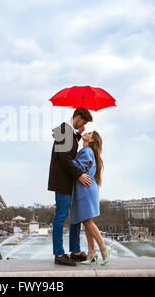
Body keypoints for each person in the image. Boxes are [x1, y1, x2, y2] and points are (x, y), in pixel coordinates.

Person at [48, 107, 93, 266]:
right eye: (84, 121)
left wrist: (80, 134)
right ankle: (59, 254)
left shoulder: (69, 132)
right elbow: (63, 157)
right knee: (61, 216)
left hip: (68, 180)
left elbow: (70, 152)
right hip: (62, 180)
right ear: (78, 117)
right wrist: (80, 174)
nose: (84, 124)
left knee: (75, 217)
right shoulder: (64, 130)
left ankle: (74, 251)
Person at [70, 131, 112, 265]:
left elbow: (76, 167)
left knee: (87, 222)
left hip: (85, 190)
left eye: (89, 133)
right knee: (86, 221)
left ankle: (104, 249)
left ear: (92, 140)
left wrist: (66, 158)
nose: (86, 132)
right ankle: (91, 251)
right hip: (88, 189)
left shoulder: (86, 151)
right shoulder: (89, 152)